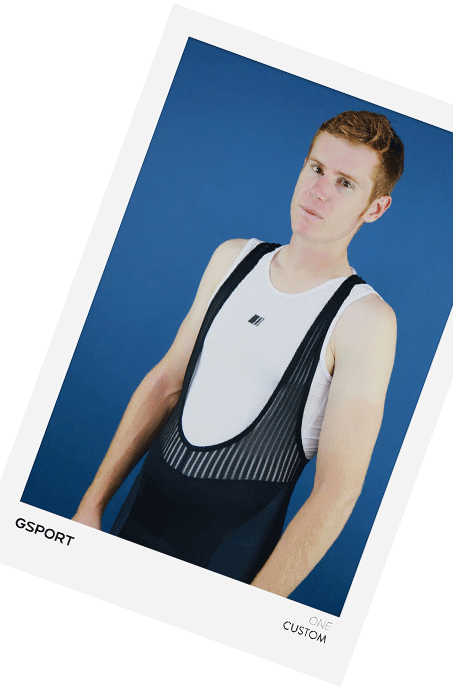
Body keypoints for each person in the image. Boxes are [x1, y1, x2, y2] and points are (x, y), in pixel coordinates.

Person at [72, 110, 404, 598]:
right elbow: (166, 384)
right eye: (316, 169)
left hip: (228, 562)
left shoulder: (364, 320)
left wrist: (256, 612)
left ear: (375, 208)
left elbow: (338, 490)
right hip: (133, 520)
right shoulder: (233, 258)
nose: (319, 191)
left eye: (345, 183)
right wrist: (91, 506)